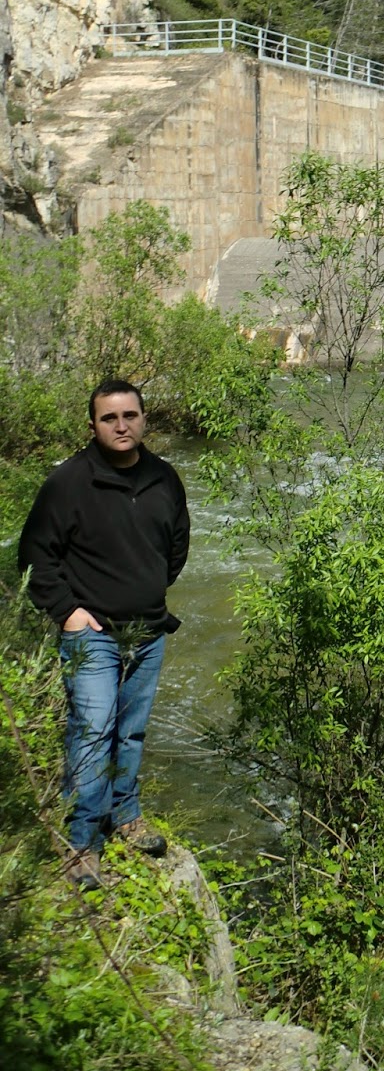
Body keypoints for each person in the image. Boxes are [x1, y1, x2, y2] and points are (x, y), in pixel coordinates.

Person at [18, 380, 190, 890]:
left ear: (144, 420)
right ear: (92, 425)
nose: (122, 426)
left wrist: (148, 590)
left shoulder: (164, 479)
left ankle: (126, 815)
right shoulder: (69, 483)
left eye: (130, 416)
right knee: (92, 731)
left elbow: (176, 548)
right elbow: (34, 556)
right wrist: (67, 612)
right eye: (109, 418)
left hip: (149, 629)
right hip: (90, 632)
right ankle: (82, 842)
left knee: (130, 731)